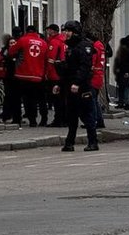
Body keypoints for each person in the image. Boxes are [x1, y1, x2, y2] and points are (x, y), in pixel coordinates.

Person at [56, 20, 99, 152]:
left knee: (87, 115)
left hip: (82, 87)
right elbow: (69, 69)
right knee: (71, 115)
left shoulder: (84, 46)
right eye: (65, 31)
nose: (66, 34)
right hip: (70, 86)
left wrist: (77, 83)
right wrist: (59, 83)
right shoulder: (71, 47)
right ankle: (69, 143)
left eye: (68, 31)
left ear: (75, 32)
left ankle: (93, 142)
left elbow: (84, 67)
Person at [10, 25, 48, 127]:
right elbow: (46, 59)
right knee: (34, 99)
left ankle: (17, 119)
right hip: (38, 76)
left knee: (18, 98)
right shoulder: (43, 43)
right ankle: (34, 120)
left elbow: (11, 51)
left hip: (22, 75)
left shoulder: (23, 40)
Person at [44, 24, 68, 127]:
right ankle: (64, 119)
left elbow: (50, 59)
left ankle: (58, 120)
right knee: (63, 98)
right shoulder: (64, 41)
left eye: (48, 30)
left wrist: (47, 73)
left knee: (57, 99)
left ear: (52, 31)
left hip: (55, 74)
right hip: (63, 74)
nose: (47, 32)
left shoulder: (54, 42)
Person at [0, 28, 23, 124]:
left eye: (14, 43)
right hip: (8, 78)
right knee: (9, 97)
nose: (13, 45)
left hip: (18, 78)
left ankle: (16, 117)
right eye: (11, 43)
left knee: (16, 98)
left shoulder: (20, 53)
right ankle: (7, 114)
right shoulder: (5, 52)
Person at [88, 33, 107, 130]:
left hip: (94, 76)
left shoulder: (95, 47)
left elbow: (92, 61)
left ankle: (95, 121)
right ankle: (99, 121)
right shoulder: (100, 46)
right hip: (99, 75)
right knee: (95, 100)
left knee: (92, 101)